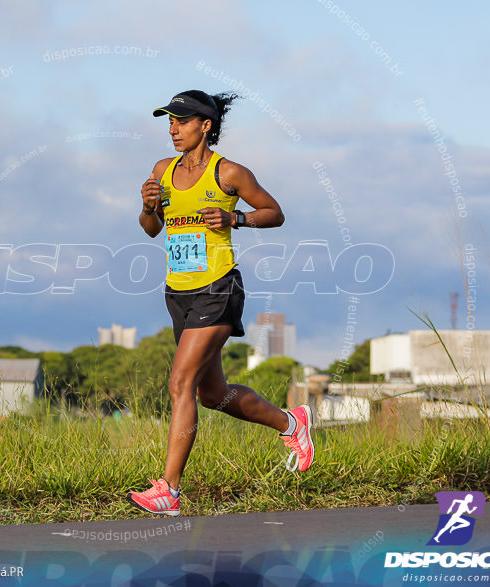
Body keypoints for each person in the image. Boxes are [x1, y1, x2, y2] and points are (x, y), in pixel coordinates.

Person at [126, 90, 314, 517]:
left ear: (205, 125)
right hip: (178, 292)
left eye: (181, 121)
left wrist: (236, 218)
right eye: (169, 122)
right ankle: (292, 424)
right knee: (212, 394)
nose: (173, 129)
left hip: (218, 287)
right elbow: (150, 230)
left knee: (180, 384)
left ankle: (168, 491)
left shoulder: (228, 172)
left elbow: (274, 212)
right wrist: (147, 206)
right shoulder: (162, 170)